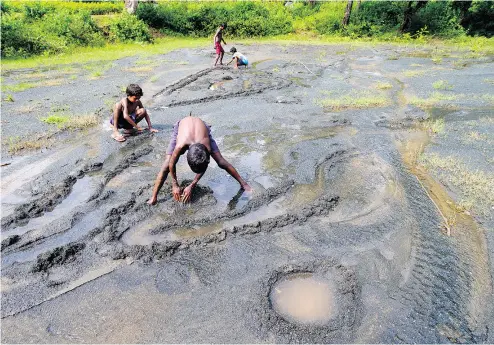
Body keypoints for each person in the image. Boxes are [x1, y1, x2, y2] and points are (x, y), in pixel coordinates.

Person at [147, 115, 252, 205]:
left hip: (203, 127)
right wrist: (175, 184)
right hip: (181, 126)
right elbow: (171, 163)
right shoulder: (180, 145)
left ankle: (244, 184)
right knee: (166, 165)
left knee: (221, 161)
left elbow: (204, 164)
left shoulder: (207, 146)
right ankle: (153, 197)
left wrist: (192, 185)